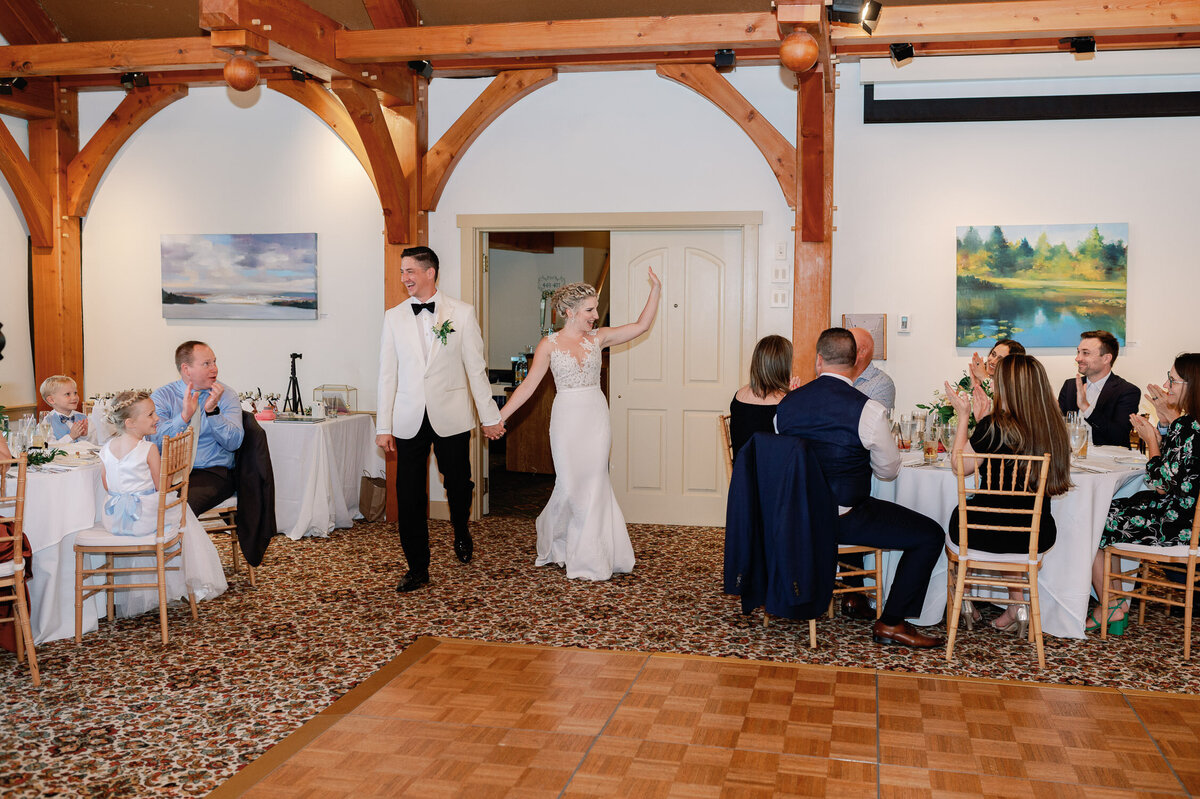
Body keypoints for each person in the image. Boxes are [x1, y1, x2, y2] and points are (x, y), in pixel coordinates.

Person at [775, 327, 946, 648]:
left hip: (795, 516)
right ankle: (892, 622)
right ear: (855, 363)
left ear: (818, 360)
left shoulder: (786, 406)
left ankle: (847, 593)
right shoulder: (868, 409)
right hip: (842, 517)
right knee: (930, 535)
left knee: (864, 508)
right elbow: (888, 470)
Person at [499, 269, 662, 581]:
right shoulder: (549, 345)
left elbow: (641, 326)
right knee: (571, 484)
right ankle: (559, 540)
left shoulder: (599, 338)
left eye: (595, 309)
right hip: (566, 419)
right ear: (569, 312)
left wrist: (655, 289)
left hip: (595, 417)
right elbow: (528, 386)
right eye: (589, 310)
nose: (595, 316)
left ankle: (591, 556)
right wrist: (501, 417)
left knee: (595, 482)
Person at [376, 246, 505, 593]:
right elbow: (387, 375)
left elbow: (476, 369)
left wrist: (489, 417)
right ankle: (418, 567)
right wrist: (383, 426)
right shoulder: (393, 317)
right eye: (402, 272)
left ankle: (461, 528)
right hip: (408, 418)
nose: (404, 278)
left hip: (451, 414)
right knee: (409, 494)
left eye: (410, 271)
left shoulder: (461, 313)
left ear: (429, 272)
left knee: (459, 484)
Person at [943, 353, 1072, 634]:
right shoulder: (1054, 427)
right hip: (1035, 533)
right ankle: (1016, 604)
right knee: (1009, 520)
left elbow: (959, 466)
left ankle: (964, 599)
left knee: (966, 516)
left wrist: (965, 417)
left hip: (985, 532)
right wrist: (983, 422)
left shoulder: (995, 426)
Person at [1088, 353, 1200, 634]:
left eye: (1173, 380)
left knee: (1092, 520)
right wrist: (1164, 426)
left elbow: (1160, 483)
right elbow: (1180, 469)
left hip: (1178, 524)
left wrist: (1151, 441)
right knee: (1109, 509)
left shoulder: (1189, 426)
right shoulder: (1191, 424)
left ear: (1192, 385)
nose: (1167, 384)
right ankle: (1115, 602)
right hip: (1189, 517)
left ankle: (1110, 605)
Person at [99, 390, 227, 614]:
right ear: (130, 423)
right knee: (182, 512)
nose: (157, 418)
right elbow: (161, 486)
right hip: (146, 520)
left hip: (115, 520)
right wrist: (173, 472)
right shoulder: (148, 449)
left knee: (172, 509)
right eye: (150, 414)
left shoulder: (105, 448)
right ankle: (186, 580)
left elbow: (107, 486)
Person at [152, 341, 244, 515]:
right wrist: (183, 417)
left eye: (214, 362)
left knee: (177, 508)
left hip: (212, 472)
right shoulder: (163, 396)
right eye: (206, 364)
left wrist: (213, 412)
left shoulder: (226, 395)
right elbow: (155, 441)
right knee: (144, 502)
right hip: (169, 472)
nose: (215, 369)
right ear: (186, 369)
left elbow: (234, 443)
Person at [1057, 330, 1140, 447]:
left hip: (1109, 457)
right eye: (1078, 352)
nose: (1078, 358)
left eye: (1085, 353)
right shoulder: (1070, 386)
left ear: (1106, 358)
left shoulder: (1127, 391)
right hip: (1072, 455)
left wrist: (1086, 408)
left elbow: (1119, 435)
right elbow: (1058, 428)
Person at [729, 335, 791, 463]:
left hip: (741, 471)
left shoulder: (739, 395)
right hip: (770, 473)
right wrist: (795, 398)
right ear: (781, 366)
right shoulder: (784, 403)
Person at [849, 328, 895, 410]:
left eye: (847, 346)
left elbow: (877, 417)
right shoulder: (835, 376)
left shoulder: (882, 383)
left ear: (862, 352)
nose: (840, 351)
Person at [40, 375, 88, 444]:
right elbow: (50, 446)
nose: (74, 397)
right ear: (51, 400)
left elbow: (95, 445)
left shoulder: (84, 418)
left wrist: (84, 436)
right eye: (67, 394)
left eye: (75, 393)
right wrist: (71, 437)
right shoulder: (47, 422)